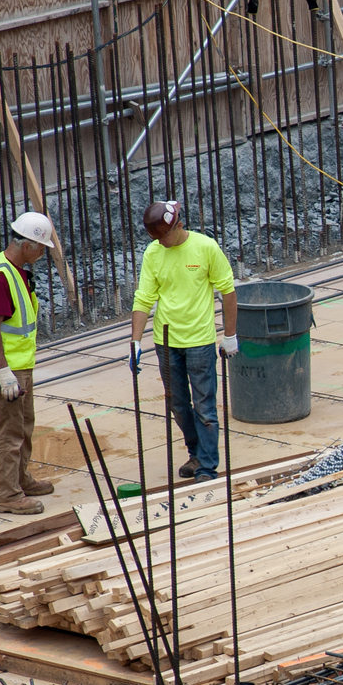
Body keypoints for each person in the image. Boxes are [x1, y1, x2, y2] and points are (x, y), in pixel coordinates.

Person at [130, 199, 238, 483]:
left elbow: (227, 291)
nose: (160, 242)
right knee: (178, 404)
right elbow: (144, 298)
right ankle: (195, 453)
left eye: (163, 236)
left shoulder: (205, 248)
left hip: (199, 341)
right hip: (166, 342)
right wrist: (136, 341)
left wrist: (230, 335)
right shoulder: (153, 253)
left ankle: (206, 466)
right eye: (155, 238)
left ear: (178, 225)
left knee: (204, 407)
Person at [0, 212, 59, 515]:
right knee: (8, 432)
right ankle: (6, 495)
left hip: (20, 365)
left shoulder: (16, 270)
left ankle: (20, 480)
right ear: (28, 245)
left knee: (23, 425)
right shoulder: (0, 277)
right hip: (7, 367)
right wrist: (4, 373)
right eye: (41, 248)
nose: (43, 254)